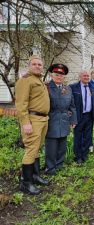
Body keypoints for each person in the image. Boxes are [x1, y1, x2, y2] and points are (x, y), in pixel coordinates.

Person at [15, 55, 50, 195]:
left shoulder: (38, 80)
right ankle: (25, 183)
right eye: (34, 64)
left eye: (39, 64)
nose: (37, 66)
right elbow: (21, 104)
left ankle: (35, 176)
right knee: (30, 149)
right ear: (29, 66)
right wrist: (25, 123)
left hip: (42, 119)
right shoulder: (25, 81)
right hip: (32, 119)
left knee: (36, 148)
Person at [44, 64, 77, 175]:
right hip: (51, 119)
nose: (59, 77)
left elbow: (72, 106)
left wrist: (73, 120)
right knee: (51, 145)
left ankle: (59, 164)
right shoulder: (46, 87)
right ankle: (50, 167)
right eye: (56, 75)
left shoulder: (68, 89)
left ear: (64, 78)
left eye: (61, 76)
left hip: (64, 119)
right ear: (52, 76)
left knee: (62, 144)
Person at [70, 70, 94, 164]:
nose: (86, 77)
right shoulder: (73, 87)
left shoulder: (92, 87)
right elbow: (70, 101)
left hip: (89, 116)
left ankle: (84, 154)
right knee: (78, 136)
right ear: (80, 77)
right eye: (84, 76)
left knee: (87, 136)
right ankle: (78, 156)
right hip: (78, 116)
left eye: (87, 76)